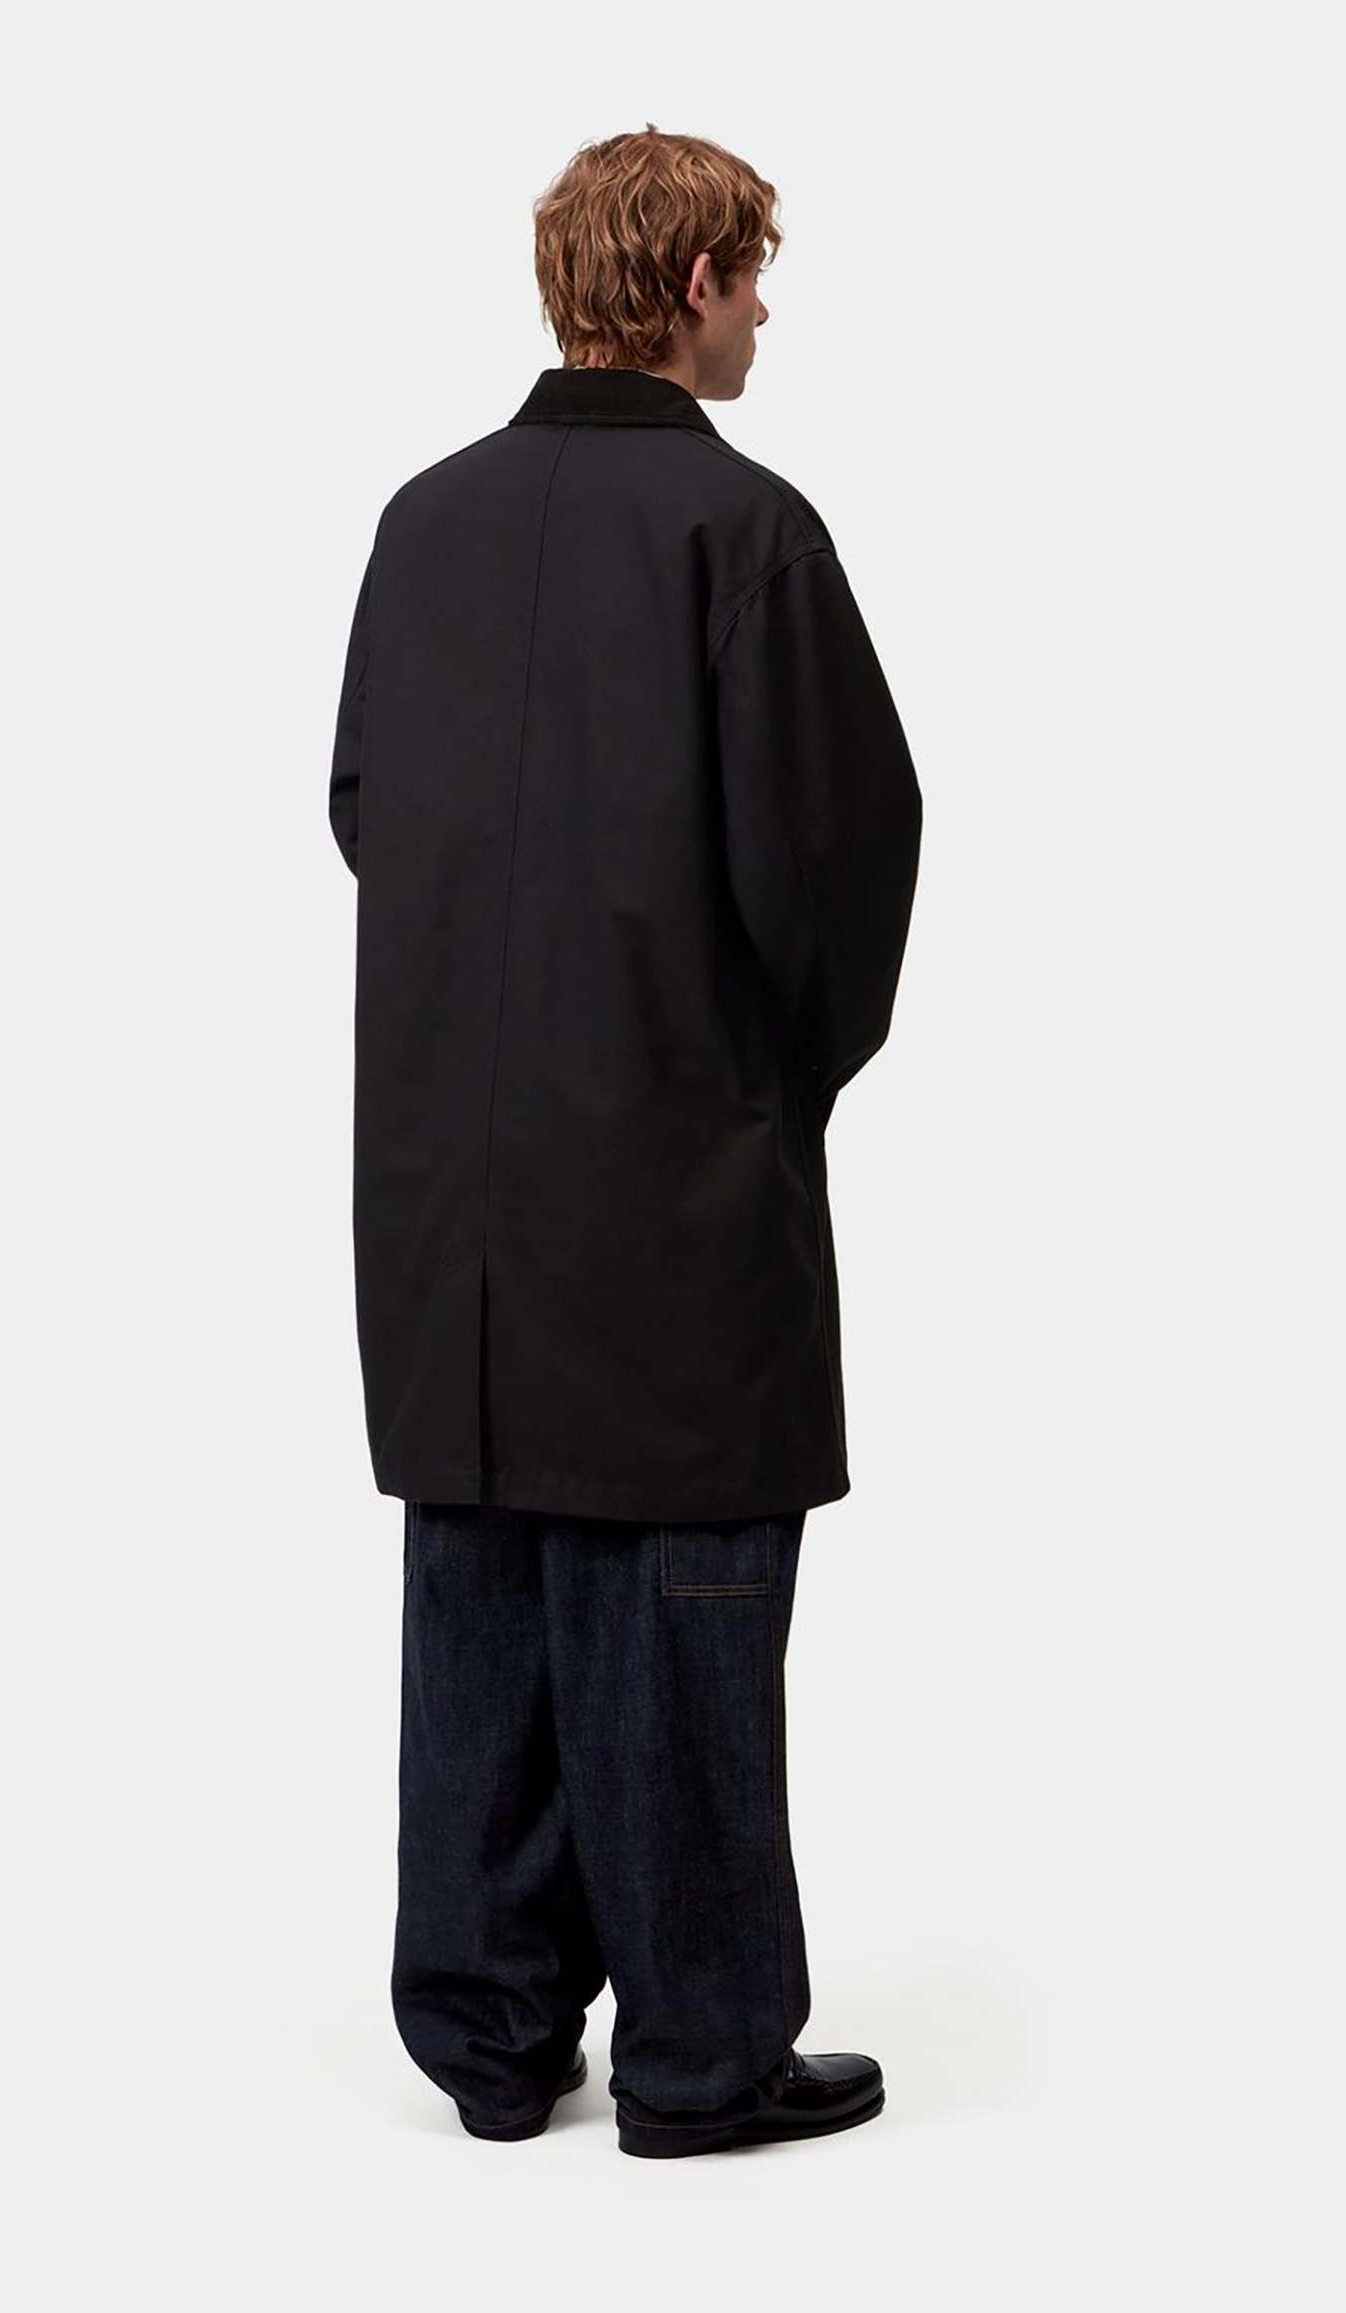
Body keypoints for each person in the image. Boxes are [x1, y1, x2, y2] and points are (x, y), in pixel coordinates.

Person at [328, 126, 922, 2158]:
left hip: (447, 1191)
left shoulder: (422, 524)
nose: (763, 313)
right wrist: (771, 1075)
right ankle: (700, 2052)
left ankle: (490, 2036)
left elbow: (365, 811)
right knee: (677, 1595)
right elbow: (836, 863)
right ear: (688, 287)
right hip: (670, 1171)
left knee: (483, 1587)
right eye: (751, 276)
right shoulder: (741, 532)